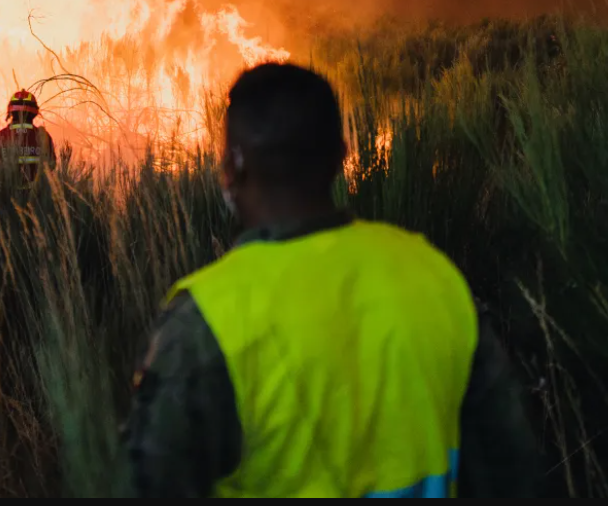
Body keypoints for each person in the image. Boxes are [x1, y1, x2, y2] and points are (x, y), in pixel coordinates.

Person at [120, 62, 538, 498]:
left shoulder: (205, 319)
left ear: (231, 167)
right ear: (342, 156)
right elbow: (511, 469)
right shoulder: (436, 275)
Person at [0, 89, 56, 184]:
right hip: (38, 196)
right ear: (34, 113)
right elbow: (51, 166)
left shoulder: (0, 137)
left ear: (11, 112)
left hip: (6, 196)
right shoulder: (43, 137)